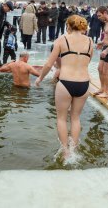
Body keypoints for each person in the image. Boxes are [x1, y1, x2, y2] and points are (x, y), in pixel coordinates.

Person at [35, 15, 93, 160]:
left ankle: (65, 151)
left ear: (68, 25)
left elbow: (49, 64)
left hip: (66, 82)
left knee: (61, 118)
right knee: (75, 118)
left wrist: (40, 78)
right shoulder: (90, 41)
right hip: (84, 83)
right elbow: (87, 61)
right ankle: (74, 150)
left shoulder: (62, 39)